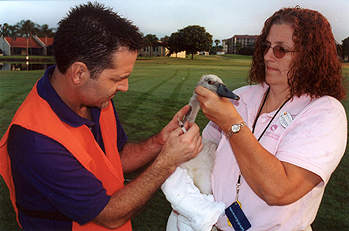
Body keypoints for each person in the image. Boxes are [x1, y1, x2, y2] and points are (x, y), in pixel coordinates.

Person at [0, 2, 202, 231]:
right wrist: (167, 162)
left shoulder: (96, 99)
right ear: (79, 73)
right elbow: (109, 215)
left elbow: (115, 157)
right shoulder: (35, 141)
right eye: (117, 79)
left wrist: (159, 142)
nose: (124, 87)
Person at [195, 7, 347, 231]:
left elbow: (279, 190)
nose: (267, 56)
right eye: (267, 46)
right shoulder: (242, 96)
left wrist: (232, 124)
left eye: (281, 50)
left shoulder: (324, 112)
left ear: (309, 57)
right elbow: (203, 151)